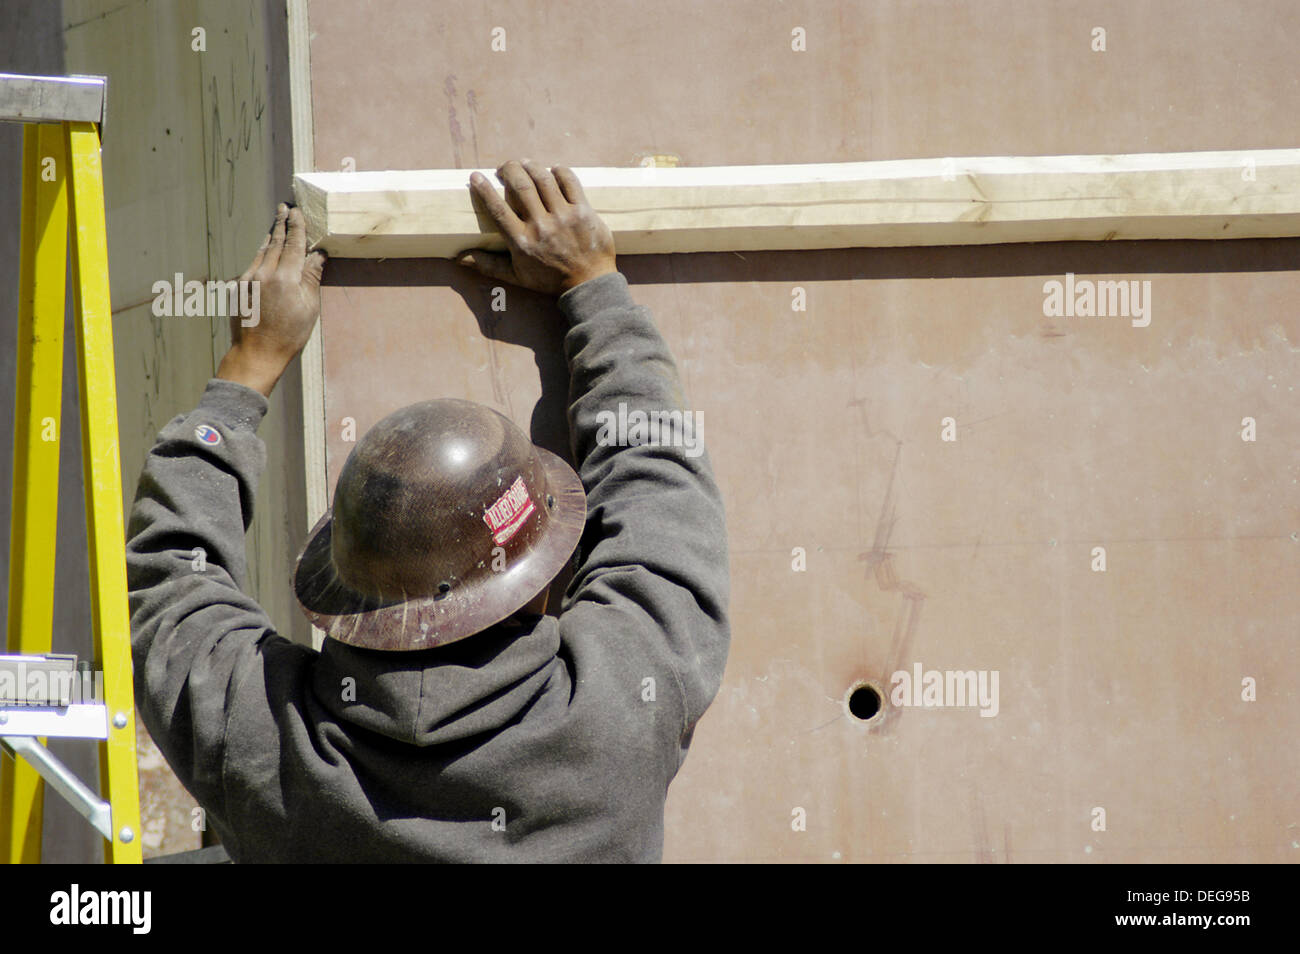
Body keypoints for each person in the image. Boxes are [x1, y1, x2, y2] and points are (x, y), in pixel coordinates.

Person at [125, 160, 730, 862]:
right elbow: (660, 481)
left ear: (340, 582)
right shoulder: (622, 707)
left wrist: (247, 368)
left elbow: (170, 578)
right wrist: (594, 288)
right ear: (536, 578)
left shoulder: (259, 738)